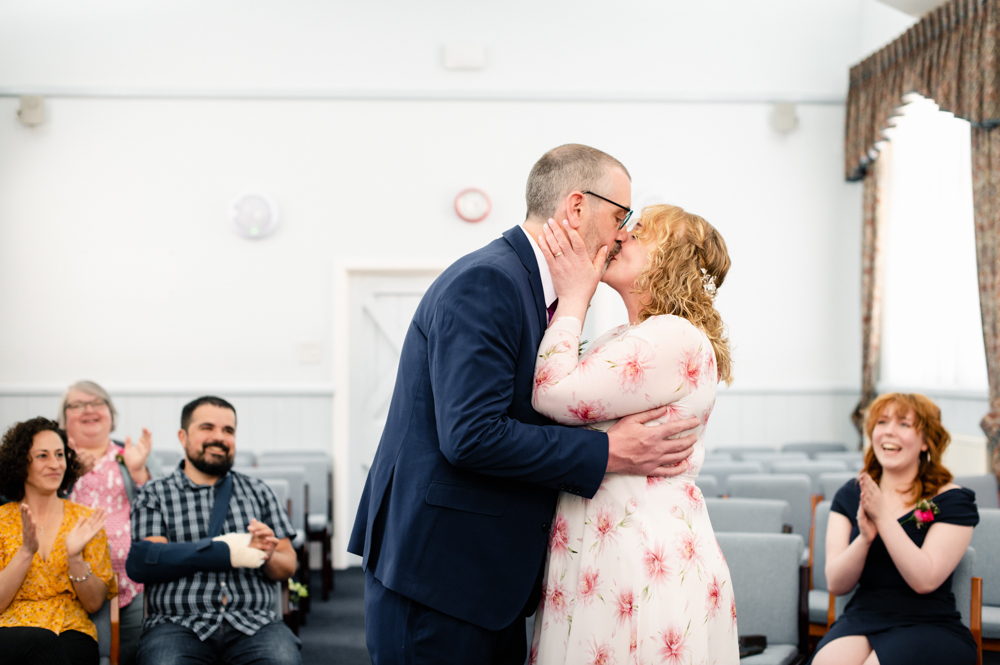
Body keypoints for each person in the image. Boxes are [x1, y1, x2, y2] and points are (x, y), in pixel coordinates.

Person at [349, 144, 702, 664]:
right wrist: (609, 452)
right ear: (577, 208)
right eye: (621, 215)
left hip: (487, 576)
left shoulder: (535, 285)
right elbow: (472, 435)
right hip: (442, 572)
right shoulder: (489, 280)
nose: (623, 233)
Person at [529, 204, 739, 664]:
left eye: (639, 233)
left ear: (670, 261)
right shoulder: (626, 335)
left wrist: (574, 298)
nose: (620, 237)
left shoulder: (671, 336)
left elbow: (551, 394)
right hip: (607, 541)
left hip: (638, 553)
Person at [126, 396, 302, 665]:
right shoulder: (155, 493)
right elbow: (152, 561)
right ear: (183, 436)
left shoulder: (259, 491)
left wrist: (267, 553)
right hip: (177, 624)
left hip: (254, 622)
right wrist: (227, 552)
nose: (219, 437)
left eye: (228, 430)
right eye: (207, 428)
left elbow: (288, 565)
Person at [811, 393, 979, 665]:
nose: (889, 431)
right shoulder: (851, 494)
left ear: (926, 442)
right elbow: (836, 583)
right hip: (862, 617)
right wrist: (865, 539)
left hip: (929, 623)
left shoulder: (953, 500)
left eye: (904, 424)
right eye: (882, 422)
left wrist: (883, 517)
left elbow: (925, 580)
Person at [59, 380, 162, 665]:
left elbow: (165, 510)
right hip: (68, 582)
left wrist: (139, 472)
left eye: (97, 403)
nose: (88, 410)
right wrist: (68, 472)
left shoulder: (133, 455)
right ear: (64, 417)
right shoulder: (52, 461)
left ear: (111, 414)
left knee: (138, 654)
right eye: (78, 404)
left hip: (135, 582)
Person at [0, 417, 117, 665]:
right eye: (43, 456)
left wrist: (75, 558)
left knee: (56, 649)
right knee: (41, 643)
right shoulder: (1, 520)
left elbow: (95, 603)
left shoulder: (85, 520)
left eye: (60, 455)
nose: (55, 464)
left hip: (71, 632)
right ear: (21, 462)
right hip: (10, 633)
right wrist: (25, 552)